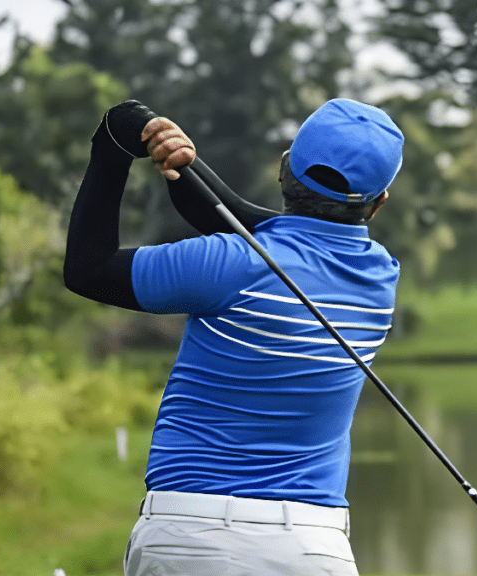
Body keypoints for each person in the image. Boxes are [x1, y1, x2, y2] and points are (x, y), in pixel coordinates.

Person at [64, 97, 404, 576]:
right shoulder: (380, 278)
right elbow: (258, 223)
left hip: (188, 537)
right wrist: (186, 165)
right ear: (378, 202)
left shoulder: (227, 263)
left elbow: (89, 268)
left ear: (284, 170)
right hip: (313, 550)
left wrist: (113, 146)